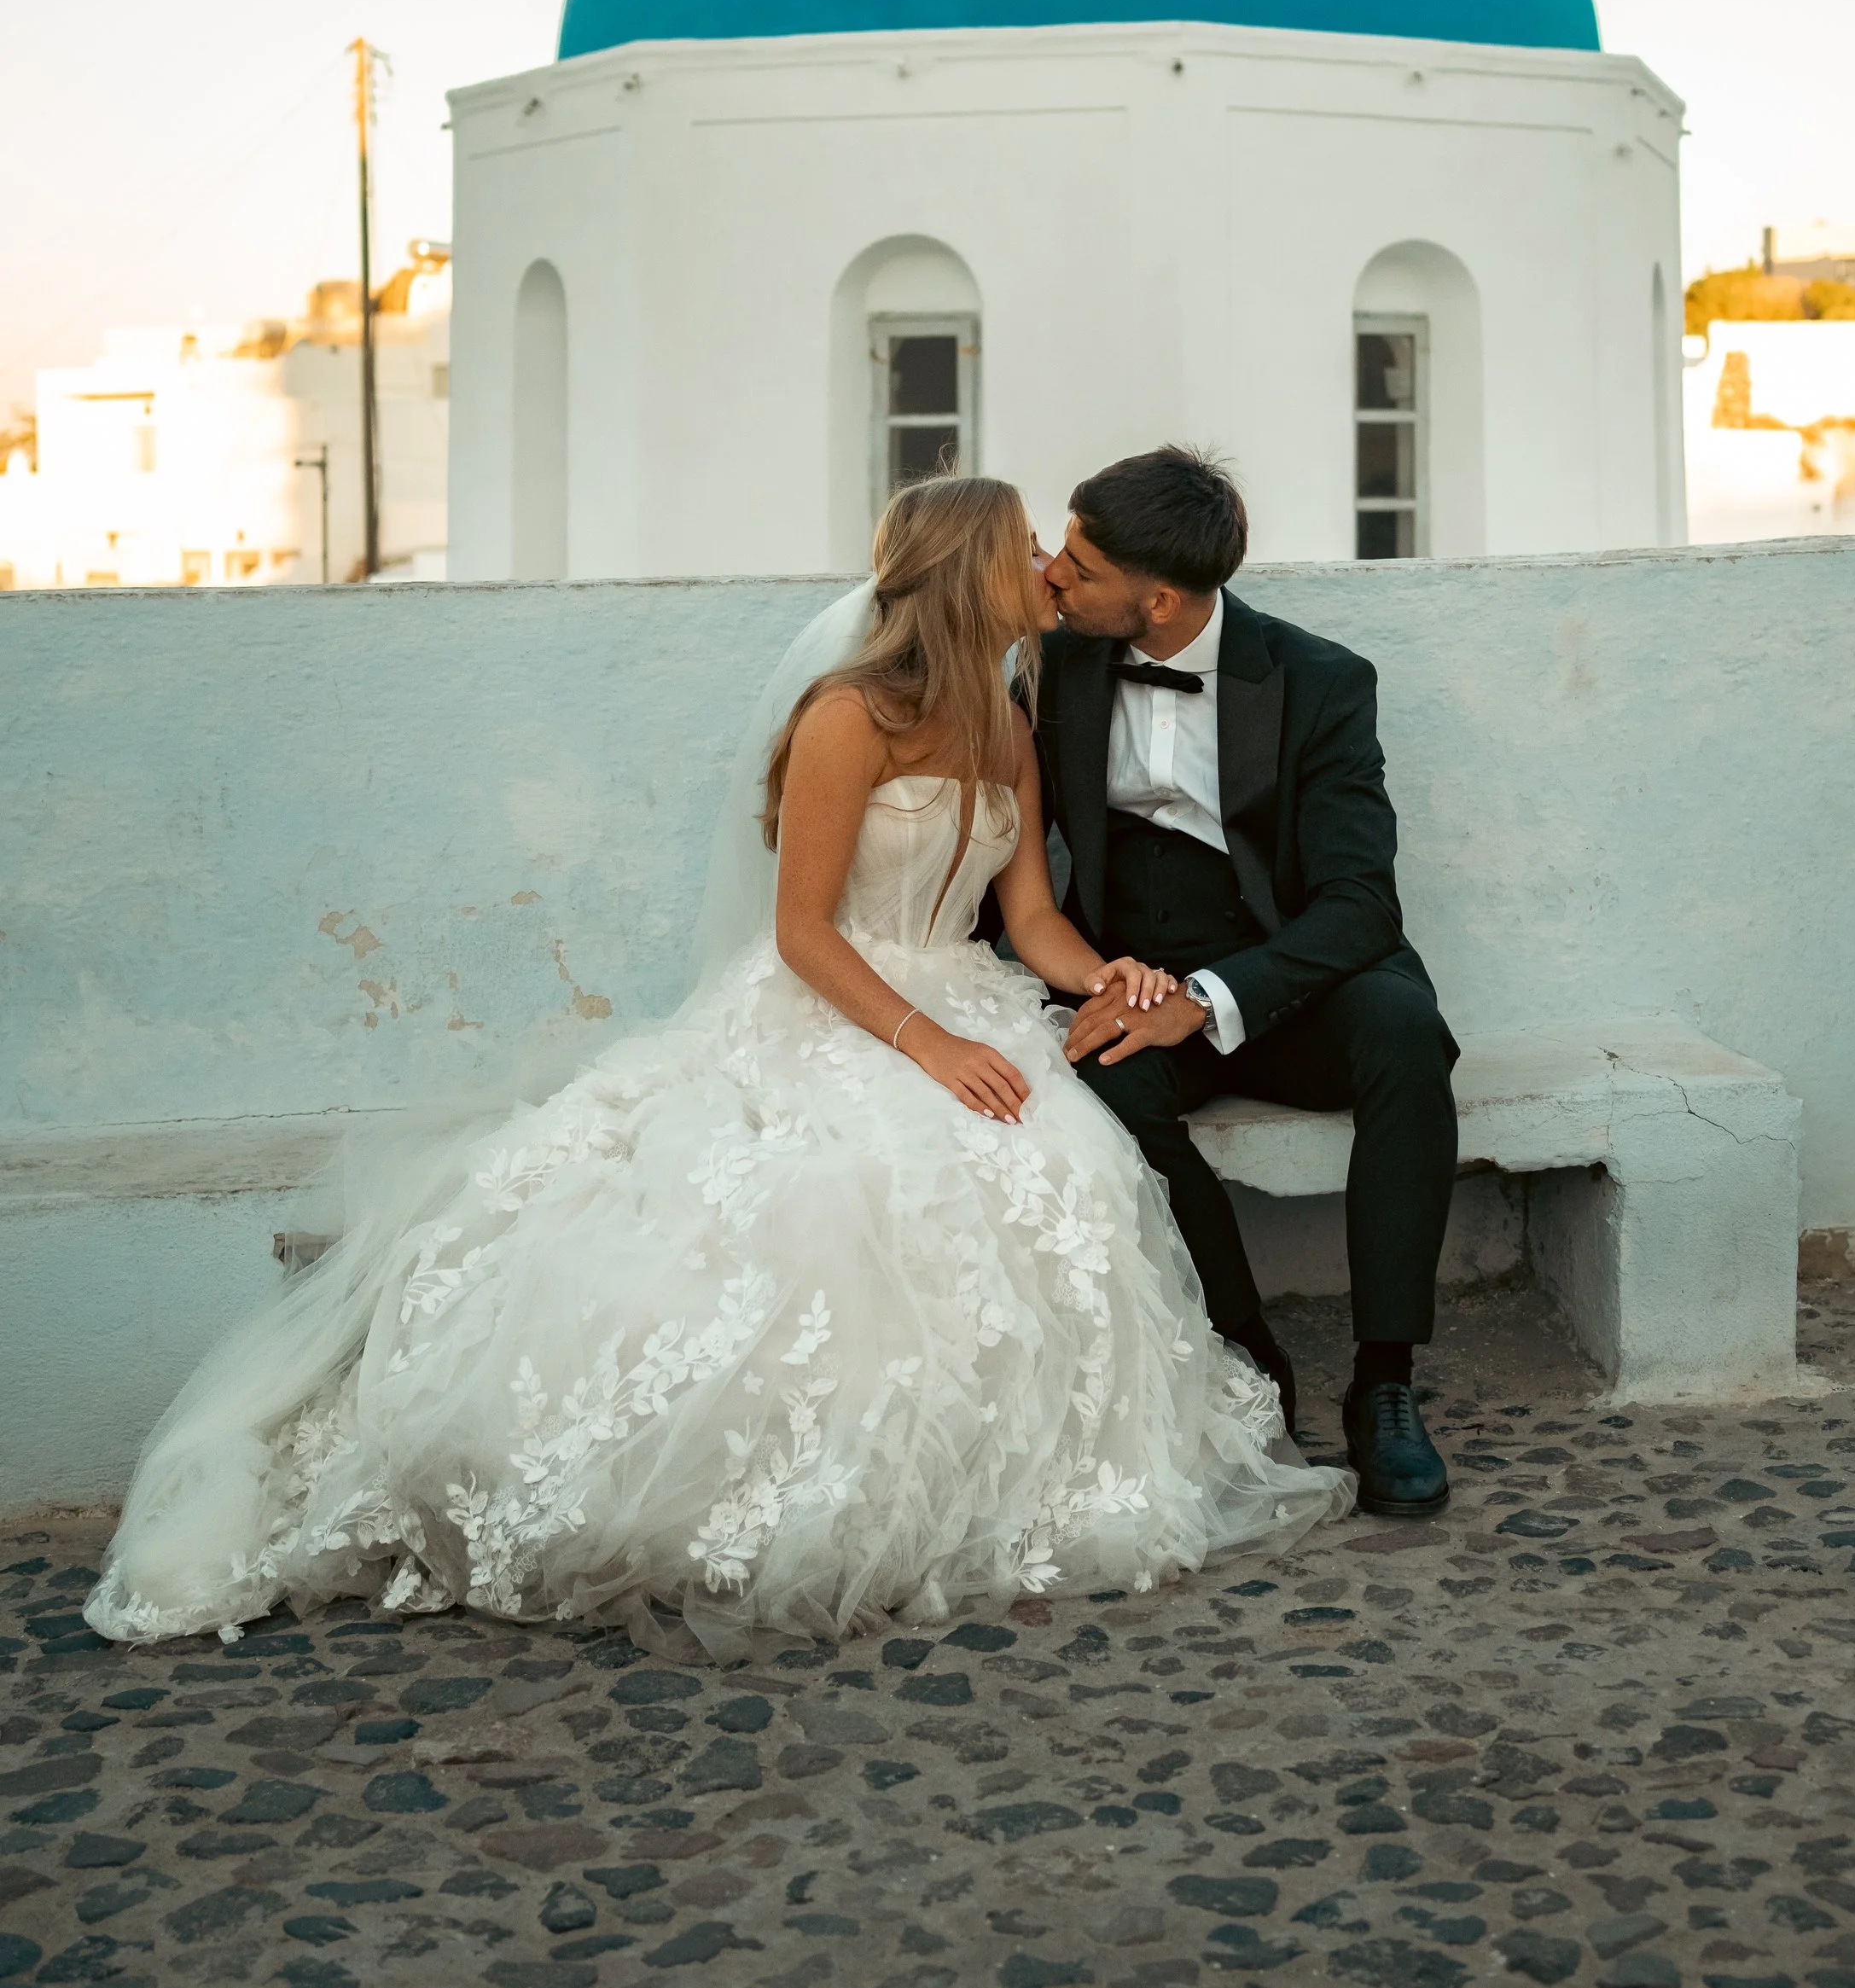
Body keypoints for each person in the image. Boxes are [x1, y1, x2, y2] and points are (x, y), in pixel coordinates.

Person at [85, 477, 1345, 1653]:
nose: (1043, 566)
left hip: (969, 998)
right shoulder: (846, 716)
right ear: (968, 571)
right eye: (1023, 543)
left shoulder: (1008, 716)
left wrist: (1106, 976)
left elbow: (1029, 920)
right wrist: (928, 1041)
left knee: (1052, 1165)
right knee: (833, 1196)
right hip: (843, 1002)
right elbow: (801, 933)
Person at [1038, 447, 1460, 1518]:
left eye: (1079, 565)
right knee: (1107, 1084)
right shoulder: (1050, 666)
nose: (1053, 574)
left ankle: (1386, 1382)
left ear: (1162, 596)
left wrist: (1214, 995)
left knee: (1408, 1036)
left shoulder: (1320, 680)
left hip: (1289, 980)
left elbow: (1361, 904)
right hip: (1128, 976)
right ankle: (1248, 1366)